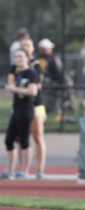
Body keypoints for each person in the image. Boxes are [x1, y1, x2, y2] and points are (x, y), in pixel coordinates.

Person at [3, 49, 38, 179]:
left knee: (24, 141)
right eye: (16, 56)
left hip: (26, 110)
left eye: (21, 56)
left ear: (27, 58)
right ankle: (10, 170)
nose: (18, 59)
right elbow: (12, 86)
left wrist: (15, 89)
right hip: (16, 109)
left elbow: (33, 91)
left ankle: (25, 171)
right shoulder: (17, 73)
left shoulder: (31, 73)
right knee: (8, 140)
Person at [20, 38, 47, 179]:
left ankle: (40, 170)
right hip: (22, 105)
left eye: (28, 45)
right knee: (21, 137)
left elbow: (38, 85)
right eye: (23, 45)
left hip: (36, 104)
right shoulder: (18, 65)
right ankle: (22, 169)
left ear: (32, 48)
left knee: (38, 136)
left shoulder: (36, 65)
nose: (25, 47)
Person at [38, 38, 63, 116]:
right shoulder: (40, 58)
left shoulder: (53, 58)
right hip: (46, 83)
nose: (50, 49)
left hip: (54, 83)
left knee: (55, 100)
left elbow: (59, 72)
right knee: (43, 101)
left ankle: (56, 112)